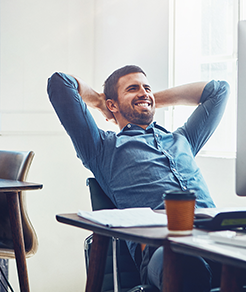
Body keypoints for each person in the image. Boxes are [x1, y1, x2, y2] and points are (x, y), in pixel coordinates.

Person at [47, 65, 230, 291]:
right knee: (186, 263)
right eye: (132, 88)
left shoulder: (182, 139)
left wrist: (147, 100)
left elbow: (219, 90)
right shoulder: (102, 149)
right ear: (112, 104)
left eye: (147, 88)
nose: (143, 92)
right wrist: (101, 102)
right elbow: (60, 83)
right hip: (166, 249)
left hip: (216, 237)